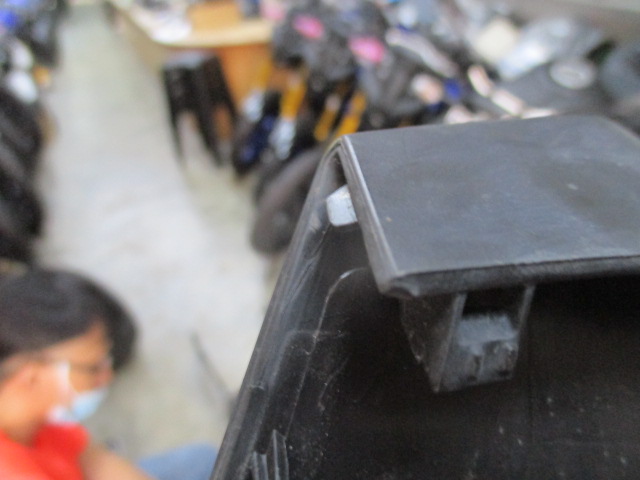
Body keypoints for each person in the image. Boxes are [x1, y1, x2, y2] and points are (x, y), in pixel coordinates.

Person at [0, 267, 216, 480]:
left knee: (201, 460)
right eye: (93, 368)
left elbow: (95, 461)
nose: (107, 376)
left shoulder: (40, 418)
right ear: (31, 378)